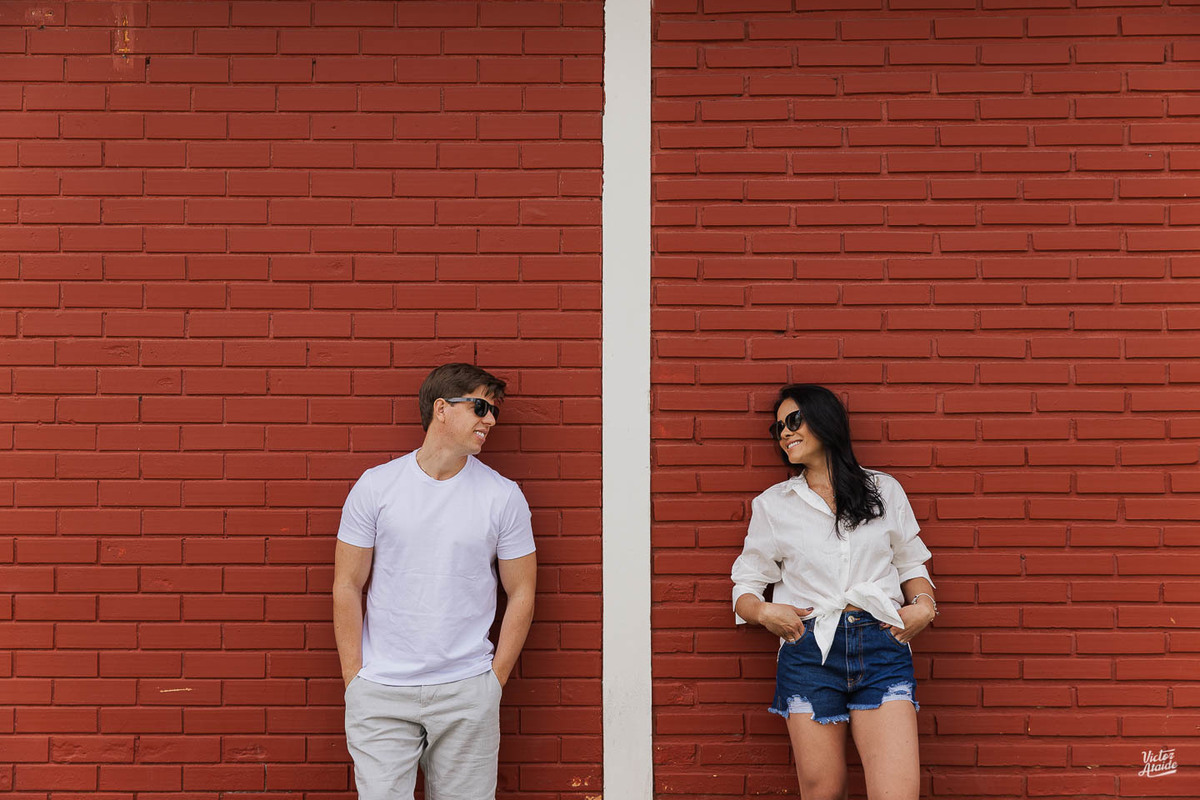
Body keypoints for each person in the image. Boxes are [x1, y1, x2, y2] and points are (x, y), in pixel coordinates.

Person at [333, 363, 537, 800]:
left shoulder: (502, 496)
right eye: (481, 406)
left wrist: (492, 682)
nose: (491, 420)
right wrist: (356, 678)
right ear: (441, 408)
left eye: (494, 411)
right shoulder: (377, 487)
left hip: (467, 689)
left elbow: (521, 591)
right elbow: (347, 584)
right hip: (382, 691)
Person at [731, 384, 936, 800]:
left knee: (897, 793)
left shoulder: (883, 490)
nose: (785, 433)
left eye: (794, 421)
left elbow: (911, 563)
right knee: (824, 792)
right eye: (779, 428)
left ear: (826, 422)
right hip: (809, 651)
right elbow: (746, 588)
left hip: (882, 644)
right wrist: (766, 613)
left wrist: (925, 607)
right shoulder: (774, 505)